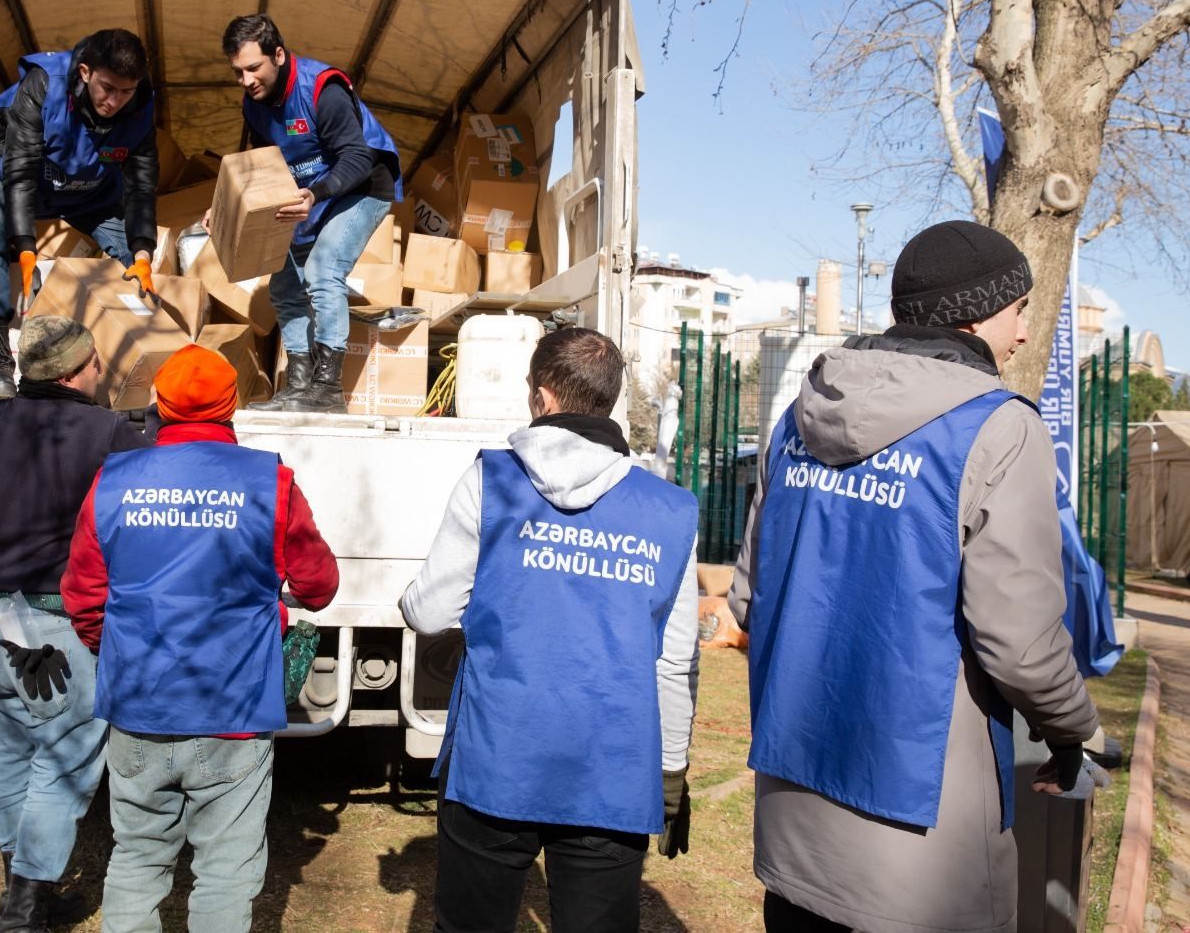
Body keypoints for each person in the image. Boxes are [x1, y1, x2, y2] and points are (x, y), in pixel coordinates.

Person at [728, 220, 1101, 932]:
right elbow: (1019, 642)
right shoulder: (999, 429)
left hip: (798, 812)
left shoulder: (798, 420)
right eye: (1018, 309)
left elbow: (751, 594)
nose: (1024, 334)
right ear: (974, 312)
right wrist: (1071, 729)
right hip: (923, 846)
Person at [400, 327, 701, 932]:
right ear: (609, 399)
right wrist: (670, 768)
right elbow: (674, 659)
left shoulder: (492, 480)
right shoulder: (671, 509)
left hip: (497, 757)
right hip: (611, 768)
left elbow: (429, 613)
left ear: (541, 397)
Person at [60, 344, 340, 932]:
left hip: (138, 700)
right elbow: (318, 585)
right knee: (227, 869)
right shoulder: (272, 480)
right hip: (234, 705)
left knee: (137, 856)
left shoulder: (113, 480)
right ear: (233, 405)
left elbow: (84, 593)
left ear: (157, 404)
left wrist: (109, 649)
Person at [0, 315, 149, 932]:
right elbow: (132, 526)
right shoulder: (108, 431)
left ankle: (26, 894)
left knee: (16, 753)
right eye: (96, 360)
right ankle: (21, 911)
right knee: (67, 759)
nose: (102, 370)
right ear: (77, 369)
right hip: (59, 623)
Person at [215, 13, 401, 413]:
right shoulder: (255, 103)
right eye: (238, 72)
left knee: (322, 271)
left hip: (361, 187)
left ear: (278, 54)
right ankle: (298, 383)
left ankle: (327, 389)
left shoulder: (321, 89)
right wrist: (225, 209)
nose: (246, 81)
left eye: (253, 68)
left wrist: (315, 195)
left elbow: (356, 157)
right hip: (308, 193)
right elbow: (261, 165)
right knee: (282, 284)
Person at [0, 28, 161, 401]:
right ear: (86, 72)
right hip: (9, 157)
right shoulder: (45, 85)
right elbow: (21, 172)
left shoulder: (139, 105)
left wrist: (142, 252)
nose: (115, 101)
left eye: (126, 91)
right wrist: (26, 248)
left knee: (137, 263)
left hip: (80, 180)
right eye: (108, 87)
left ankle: (149, 361)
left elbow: (141, 184)